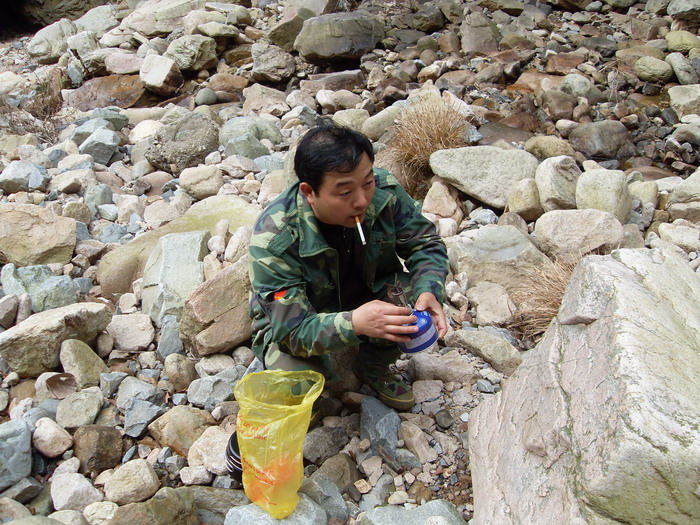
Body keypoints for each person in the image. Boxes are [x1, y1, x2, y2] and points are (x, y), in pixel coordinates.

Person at [248, 120, 449, 411]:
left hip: (366, 288)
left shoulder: (384, 192)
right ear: (309, 192)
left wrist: (429, 290)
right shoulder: (275, 238)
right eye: (344, 193)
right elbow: (291, 333)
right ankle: (315, 397)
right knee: (296, 384)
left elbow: (424, 244)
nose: (361, 200)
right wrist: (354, 323)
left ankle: (373, 366)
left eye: (367, 182)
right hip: (305, 313)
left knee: (407, 302)